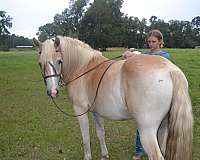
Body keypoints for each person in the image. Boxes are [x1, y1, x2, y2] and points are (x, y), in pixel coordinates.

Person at [122, 29, 170, 160]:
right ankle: (139, 151)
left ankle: (159, 149)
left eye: (154, 41)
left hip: (158, 94)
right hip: (146, 92)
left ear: (160, 42)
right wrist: (132, 55)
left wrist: (135, 55)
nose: (151, 44)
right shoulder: (147, 54)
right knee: (142, 123)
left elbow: (152, 60)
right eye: (149, 41)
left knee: (159, 126)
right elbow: (143, 58)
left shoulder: (164, 56)